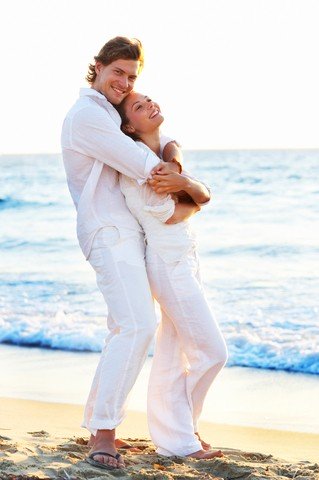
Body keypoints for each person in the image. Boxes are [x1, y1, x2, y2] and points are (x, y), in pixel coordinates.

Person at [61, 37, 188, 470]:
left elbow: (162, 138)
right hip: (107, 231)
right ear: (97, 67)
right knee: (136, 326)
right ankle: (103, 433)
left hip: (126, 232)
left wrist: (173, 155)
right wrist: (179, 178)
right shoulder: (86, 116)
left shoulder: (109, 111)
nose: (125, 83)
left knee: (125, 327)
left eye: (133, 77)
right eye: (118, 73)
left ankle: (100, 423)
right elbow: (143, 164)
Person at [116, 92, 228, 458]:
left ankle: (179, 438)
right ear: (129, 126)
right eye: (138, 106)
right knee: (212, 352)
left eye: (148, 99)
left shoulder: (164, 150)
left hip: (184, 259)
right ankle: (181, 434)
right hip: (167, 264)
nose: (150, 104)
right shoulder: (139, 168)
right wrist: (190, 188)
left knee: (173, 354)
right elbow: (178, 212)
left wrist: (185, 182)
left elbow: (200, 193)